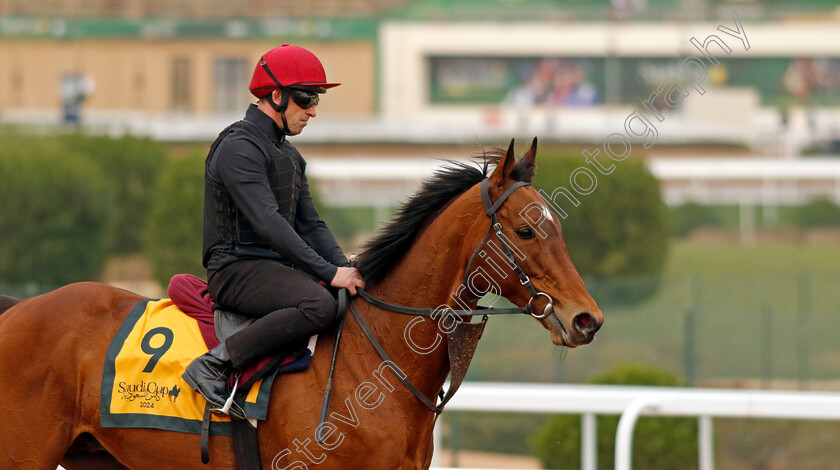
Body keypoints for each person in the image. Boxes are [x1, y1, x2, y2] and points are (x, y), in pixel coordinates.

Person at [182, 44, 365, 415]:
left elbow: (311, 225)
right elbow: (269, 223)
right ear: (276, 95)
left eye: (316, 99)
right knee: (319, 304)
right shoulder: (239, 147)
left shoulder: (290, 156)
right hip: (235, 271)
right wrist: (330, 274)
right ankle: (213, 364)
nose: (313, 110)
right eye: (305, 98)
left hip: (272, 270)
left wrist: (345, 267)